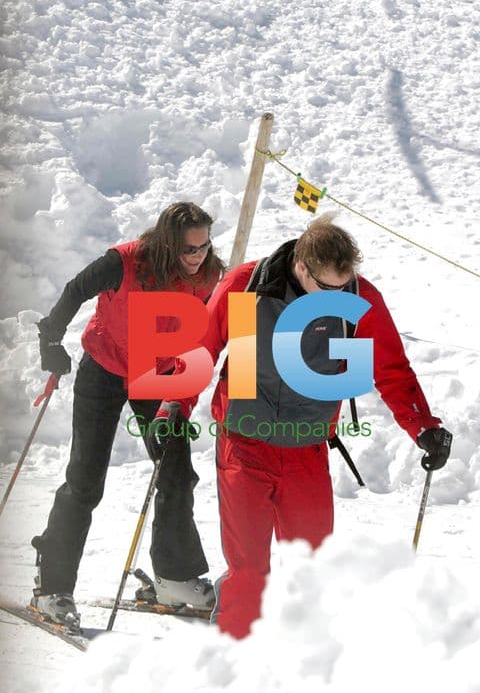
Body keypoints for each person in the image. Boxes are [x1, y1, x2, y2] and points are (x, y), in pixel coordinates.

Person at [147, 213, 453, 640]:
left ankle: (301, 669)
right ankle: (236, 659)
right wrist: (171, 407)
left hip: (306, 449)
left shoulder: (357, 298)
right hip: (244, 442)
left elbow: (391, 369)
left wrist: (423, 426)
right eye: (327, 288)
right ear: (302, 267)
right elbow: (201, 347)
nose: (336, 296)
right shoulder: (247, 285)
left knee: (311, 570)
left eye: (344, 286)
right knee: (250, 572)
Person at [31, 201, 224, 624]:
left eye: (205, 246)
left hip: (154, 373)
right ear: (167, 245)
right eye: (189, 249)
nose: (198, 257)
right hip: (104, 367)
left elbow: (216, 324)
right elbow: (74, 291)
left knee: (175, 470)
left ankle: (175, 575)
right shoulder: (125, 261)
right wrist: (51, 341)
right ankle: (53, 586)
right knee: (85, 480)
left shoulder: (210, 275)